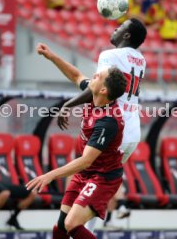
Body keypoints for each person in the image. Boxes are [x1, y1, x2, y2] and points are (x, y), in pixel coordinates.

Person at [36, 18, 147, 229]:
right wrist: (52, 57)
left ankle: (86, 227)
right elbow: (82, 79)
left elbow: (94, 90)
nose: (115, 28)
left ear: (126, 36)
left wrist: (67, 105)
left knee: (88, 175)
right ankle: (105, 217)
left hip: (113, 128)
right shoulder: (140, 59)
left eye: (120, 27)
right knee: (97, 182)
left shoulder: (110, 55)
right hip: (131, 130)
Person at [26, 67, 127, 239]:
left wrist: (50, 175)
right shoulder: (96, 94)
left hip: (103, 178)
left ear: (103, 89)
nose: (93, 76)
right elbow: (76, 75)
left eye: (98, 76)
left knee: (71, 224)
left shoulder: (108, 121)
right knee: (59, 229)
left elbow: (86, 160)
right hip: (84, 174)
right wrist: (50, 57)